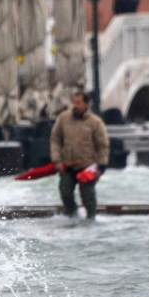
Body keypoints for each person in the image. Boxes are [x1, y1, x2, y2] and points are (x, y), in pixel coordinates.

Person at [50, 91, 109, 220]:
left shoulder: (96, 122)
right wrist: (57, 160)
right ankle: (73, 215)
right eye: (74, 103)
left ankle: (91, 219)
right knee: (65, 192)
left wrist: (101, 166)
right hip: (67, 165)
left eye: (78, 103)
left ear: (86, 104)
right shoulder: (63, 118)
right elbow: (55, 139)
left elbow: (102, 146)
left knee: (88, 196)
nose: (75, 106)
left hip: (88, 166)